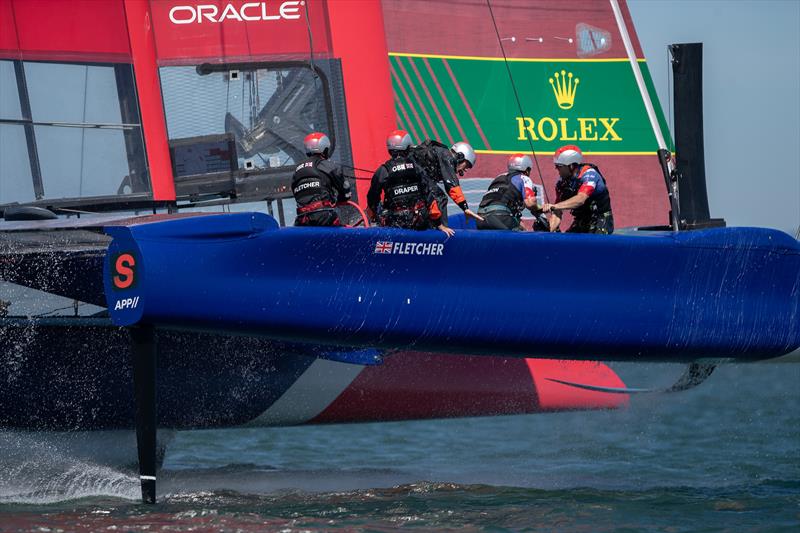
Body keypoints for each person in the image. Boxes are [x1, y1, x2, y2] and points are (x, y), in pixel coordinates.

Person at [367, 130, 455, 236]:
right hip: (417, 222)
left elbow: (372, 197)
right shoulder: (417, 168)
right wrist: (439, 225)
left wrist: (373, 215)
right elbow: (429, 195)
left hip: (395, 223)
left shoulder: (383, 170)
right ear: (407, 147)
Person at [542, 145, 614, 234]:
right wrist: (549, 230)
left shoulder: (590, 174)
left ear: (571, 166)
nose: (556, 169)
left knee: (593, 245)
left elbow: (580, 199)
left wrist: (555, 206)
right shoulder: (561, 183)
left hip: (601, 220)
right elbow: (557, 212)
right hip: (581, 221)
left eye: (559, 166)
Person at [411, 139, 483, 222]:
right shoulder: (446, 155)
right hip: (415, 179)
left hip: (412, 181)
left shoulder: (438, 154)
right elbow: (451, 184)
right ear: (460, 156)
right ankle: (441, 232)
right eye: (467, 165)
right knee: (440, 197)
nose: (466, 170)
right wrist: (465, 208)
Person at [291, 132, 352, 226]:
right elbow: (344, 190)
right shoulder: (327, 165)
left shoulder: (297, 170)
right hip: (324, 217)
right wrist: (341, 199)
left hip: (302, 220)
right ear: (324, 148)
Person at [476, 153, 538, 230]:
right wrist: (538, 208)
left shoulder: (499, 177)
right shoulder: (524, 178)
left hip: (480, 218)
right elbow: (530, 203)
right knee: (523, 237)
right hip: (500, 217)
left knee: (520, 226)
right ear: (527, 170)